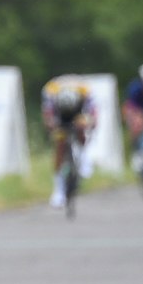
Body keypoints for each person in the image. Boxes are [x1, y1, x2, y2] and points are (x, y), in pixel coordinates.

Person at [41, 75, 95, 208]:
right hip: (59, 115)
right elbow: (47, 116)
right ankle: (58, 190)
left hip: (79, 112)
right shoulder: (50, 91)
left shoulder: (85, 90)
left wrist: (90, 124)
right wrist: (51, 126)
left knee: (81, 129)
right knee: (59, 144)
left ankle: (83, 160)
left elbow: (93, 113)